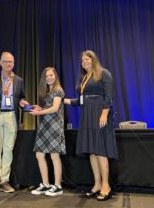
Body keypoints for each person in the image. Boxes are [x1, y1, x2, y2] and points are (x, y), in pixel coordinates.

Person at [64, 50, 118, 201]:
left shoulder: (103, 73)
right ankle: (97, 184)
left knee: (100, 151)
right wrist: (63, 100)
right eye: (82, 61)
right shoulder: (84, 78)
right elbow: (80, 101)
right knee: (92, 151)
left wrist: (104, 114)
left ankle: (106, 186)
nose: (85, 62)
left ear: (94, 60)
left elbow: (109, 96)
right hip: (86, 115)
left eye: (87, 59)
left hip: (99, 114)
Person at [0, 51, 29, 194]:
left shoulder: (19, 80)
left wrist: (24, 103)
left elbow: (21, 98)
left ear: (13, 63)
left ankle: (4, 181)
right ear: (0, 62)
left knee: (8, 150)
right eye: (6, 61)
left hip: (11, 117)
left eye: (11, 61)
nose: (8, 64)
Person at [29, 67, 66, 196]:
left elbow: (55, 108)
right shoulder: (48, 90)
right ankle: (45, 184)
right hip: (45, 125)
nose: (49, 78)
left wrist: (39, 112)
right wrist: (40, 107)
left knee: (54, 155)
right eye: (46, 76)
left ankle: (58, 186)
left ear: (55, 76)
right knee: (39, 154)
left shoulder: (58, 90)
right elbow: (49, 107)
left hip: (55, 125)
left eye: (51, 75)